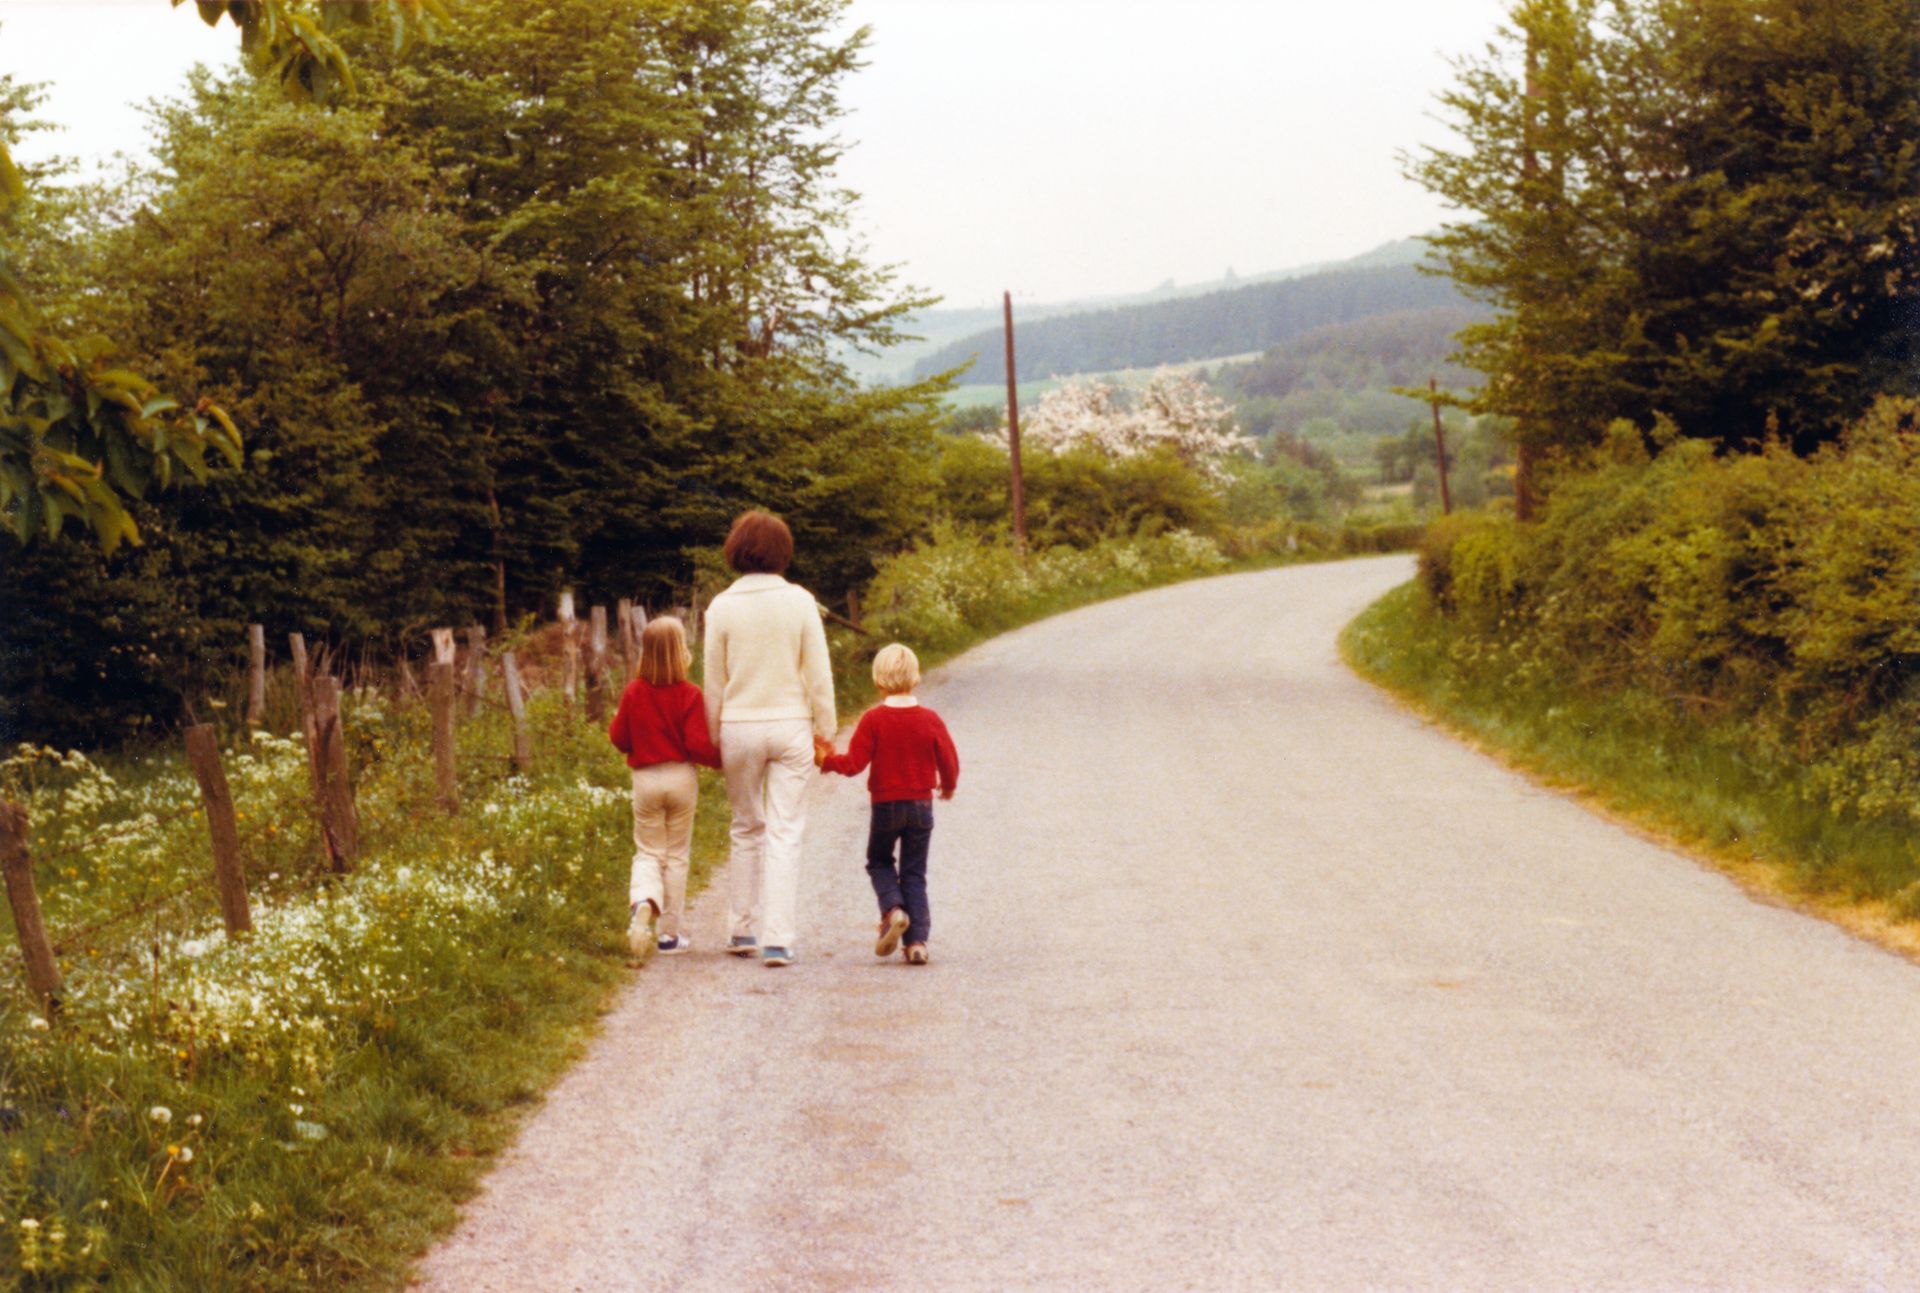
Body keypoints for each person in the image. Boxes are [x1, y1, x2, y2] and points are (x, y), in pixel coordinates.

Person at [704, 509, 837, 968]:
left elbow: (714, 681)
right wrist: (827, 729)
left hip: (738, 726)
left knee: (745, 826)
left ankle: (741, 928)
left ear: (736, 549)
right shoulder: (800, 601)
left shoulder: (720, 606)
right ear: (783, 552)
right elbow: (818, 673)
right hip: (790, 725)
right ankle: (777, 938)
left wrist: (713, 733)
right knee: (785, 831)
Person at [817, 643, 959, 966]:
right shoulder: (930, 719)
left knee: (879, 861)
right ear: (916, 678)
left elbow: (853, 763)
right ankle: (917, 943)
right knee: (914, 872)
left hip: (886, 806)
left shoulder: (874, 719)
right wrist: (947, 786)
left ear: (878, 681)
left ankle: (893, 910)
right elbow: (949, 759)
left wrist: (827, 761)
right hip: (922, 805)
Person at [608, 615, 721, 961]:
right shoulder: (690, 694)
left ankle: (643, 901)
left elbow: (618, 737)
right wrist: (721, 762)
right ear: (681, 652)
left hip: (645, 778)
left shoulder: (633, 692)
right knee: (676, 855)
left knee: (648, 851)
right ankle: (669, 934)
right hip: (680, 778)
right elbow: (699, 743)